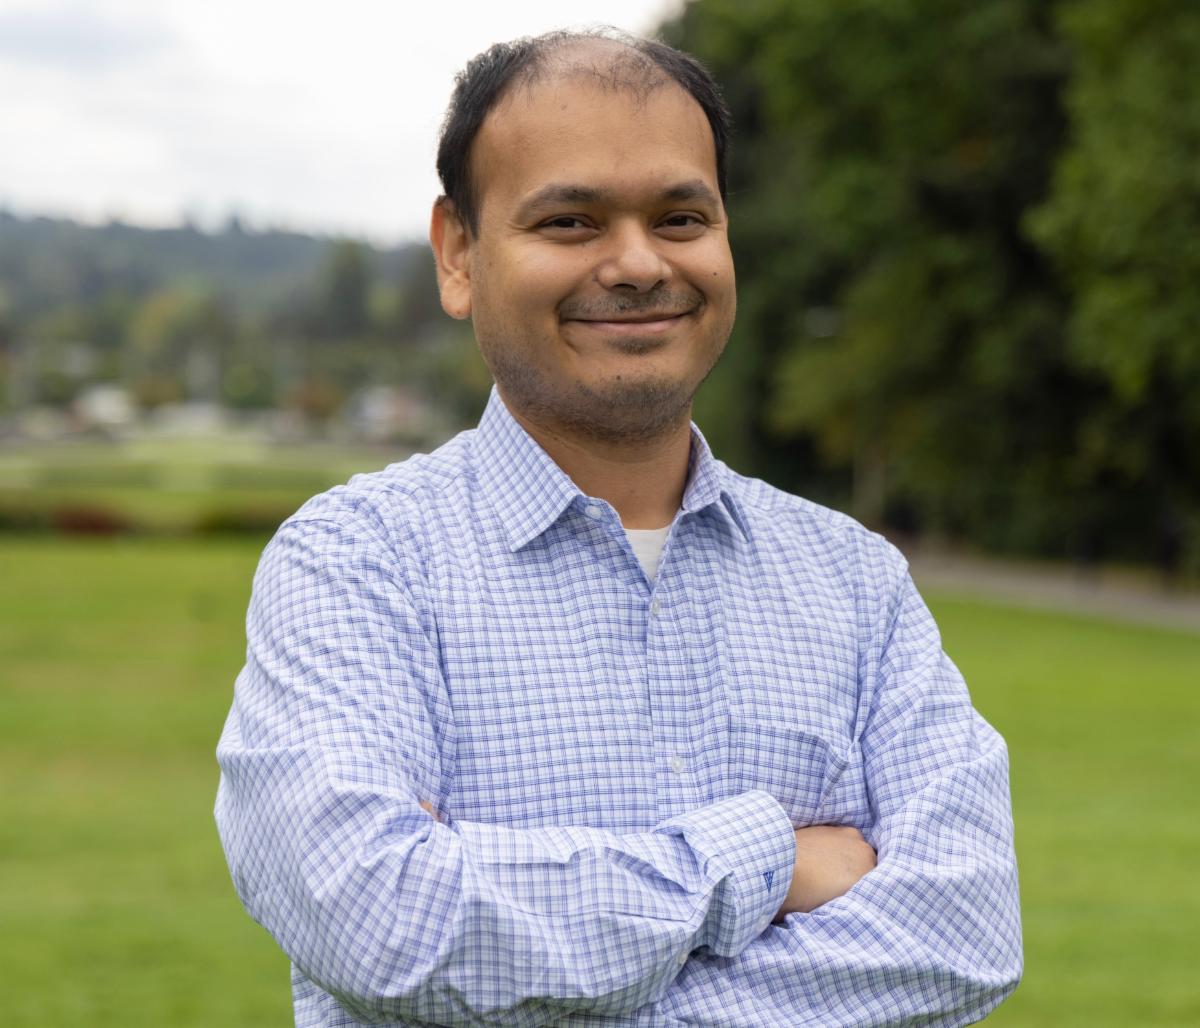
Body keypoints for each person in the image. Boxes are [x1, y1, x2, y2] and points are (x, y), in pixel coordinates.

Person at [215, 28, 1022, 1027]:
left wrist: (520, 945)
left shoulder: (857, 582)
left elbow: (967, 932)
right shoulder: (355, 565)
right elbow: (379, 922)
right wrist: (766, 865)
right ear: (459, 252)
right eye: (571, 221)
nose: (639, 263)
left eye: (682, 215)